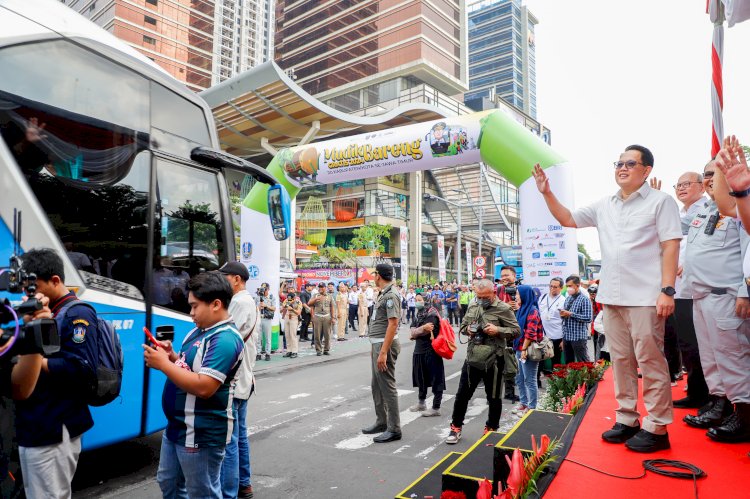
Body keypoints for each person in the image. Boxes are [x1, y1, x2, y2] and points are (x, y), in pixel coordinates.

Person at [533, 144, 682, 453]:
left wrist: (667, 290)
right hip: (612, 298)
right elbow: (568, 219)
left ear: (646, 170)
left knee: (650, 360)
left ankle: (657, 425)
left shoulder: (661, 202)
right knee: (621, 360)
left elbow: (670, 246)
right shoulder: (605, 205)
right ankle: (627, 418)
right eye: (619, 163)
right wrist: (547, 193)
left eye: (630, 163)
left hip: (645, 297)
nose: (622, 168)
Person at [144, 272, 244, 498]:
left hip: (201, 432)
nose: (191, 314)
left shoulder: (225, 339)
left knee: (202, 492)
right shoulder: (198, 332)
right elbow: (190, 366)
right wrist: (171, 356)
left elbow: (204, 387)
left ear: (216, 304)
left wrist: (163, 365)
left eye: (195, 306)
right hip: (178, 427)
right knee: (168, 482)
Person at [15, 249, 99, 499]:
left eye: (34, 288)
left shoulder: (76, 314)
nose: (29, 295)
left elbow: (81, 369)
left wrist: (32, 359)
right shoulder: (44, 312)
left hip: (54, 426)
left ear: (55, 281)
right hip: (36, 423)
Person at [680, 158, 750, 442]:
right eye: (706, 175)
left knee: (733, 358)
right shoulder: (705, 211)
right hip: (701, 296)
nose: (710, 179)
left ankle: (745, 416)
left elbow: (748, 251)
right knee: (711, 359)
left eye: (715, 174)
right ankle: (721, 406)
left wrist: (746, 291)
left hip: (726, 296)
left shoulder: (739, 209)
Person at [446, 279, 521, 444]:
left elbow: (516, 331)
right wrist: (469, 330)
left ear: (493, 293)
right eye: (478, 296)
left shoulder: (503, 308)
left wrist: (497, 330)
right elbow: (464, 327)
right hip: (473, 358)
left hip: (495, 359)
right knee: (462, 395)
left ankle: (491, 428)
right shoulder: (473, 306)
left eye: (485, 297)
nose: (481, 300)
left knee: (493, 397)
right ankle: (455, 427)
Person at [218, 262, 258, 499]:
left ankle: (229, 491)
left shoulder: (241, 302)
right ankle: (243, 484)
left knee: (230, 439)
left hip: (236, 379)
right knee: (239, 435)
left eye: (225, 277)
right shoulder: (243, 301)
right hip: (242, 378)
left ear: (236, 279)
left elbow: (227, 335)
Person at [671, 170, 710, 409]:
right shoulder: (679, 215)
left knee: (702, 346)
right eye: (678, 184)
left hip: (700, 290)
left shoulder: (710, 210)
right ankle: (697, 393)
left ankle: (711, 397)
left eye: (687, 184)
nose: (681, 188)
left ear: (702, 187)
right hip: (679, 291)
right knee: (687, 345)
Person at [361, 263, 402, 443]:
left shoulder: (391, 295)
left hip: (385, 346)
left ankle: (394, 429)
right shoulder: (383, 293)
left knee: (387, 386)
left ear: (379, 275)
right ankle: (382, 421)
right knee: (376, 385)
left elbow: (393, 323)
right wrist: (375, 348)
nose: (373, 276)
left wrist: (383, 352)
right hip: (378, 345)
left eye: (375, 273)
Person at [408, 294, 445, 417]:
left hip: (431, 351)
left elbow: (427, 331)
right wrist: (421, 328)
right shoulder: (419, 314)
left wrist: (417, 331)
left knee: (436, 379)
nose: (417, 302)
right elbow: (413, 331)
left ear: (426, 300)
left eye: (420, 300)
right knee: (420, 378)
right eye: (416, 300)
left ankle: (436, 407)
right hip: (418, 351)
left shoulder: (432, 314)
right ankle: (421, 403)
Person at [512, 285, 544, 416]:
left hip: (528, 350)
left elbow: (530, 334)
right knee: (519, 378)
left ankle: (531, 407)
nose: (516, 297)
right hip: (519, 348)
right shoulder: (522, 309)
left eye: (518, 294)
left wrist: (524, 349)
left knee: (529, 379)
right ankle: (523, 403)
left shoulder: (532, 311)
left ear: (525, 296)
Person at [560, 276, 592, 363]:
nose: (568, 288)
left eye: (570, 286)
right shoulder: (568, 298)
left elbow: (588, 318)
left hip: (578, 337)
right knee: (569, 363)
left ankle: (588, 377)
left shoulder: (584, 300)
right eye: (567, 286)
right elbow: (565, 316)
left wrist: (571, 314)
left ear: (577, 286)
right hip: (567, 336)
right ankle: (572, 377)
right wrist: (563, 315)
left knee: (583, 362)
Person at [539, 278, 565, 371]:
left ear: (561, 288)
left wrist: (563, 339)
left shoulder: (563, 301)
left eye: (555, 287)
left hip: (557, 336)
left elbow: (565, 322)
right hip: (542, 335)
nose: (552, 288)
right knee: (539, 358)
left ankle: (556, 382)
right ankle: (539, 379)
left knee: (556, 361)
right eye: (551, 286)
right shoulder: (542, 297)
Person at [309, 282, 336, 356]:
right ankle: (318, 350)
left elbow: (332, 307)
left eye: (322, 287)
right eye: (319, 287)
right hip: (317, 316)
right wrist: (315, 299)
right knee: (317, 334)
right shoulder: (315, 295)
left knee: (327, 334)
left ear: (325, 288)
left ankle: (326, 350)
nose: (320, 288)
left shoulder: (329, 296)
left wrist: (333, 317)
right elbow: (309, 303)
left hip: (327, 317)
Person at [256, 285, 276, 361]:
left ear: (268, 289)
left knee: (268, 337)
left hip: (267, 319)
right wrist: (258, 307)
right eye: (262, 289)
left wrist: (266, 305)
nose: (263, 291)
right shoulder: (258, 297)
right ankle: (258, 353)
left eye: (264, 289)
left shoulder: (271, 297)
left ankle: (268, 354)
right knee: (258, 337)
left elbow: (274, 308)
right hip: (259, 318)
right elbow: (254, 308)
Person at [281, 291, 302, 358]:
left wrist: (292, 309)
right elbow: (282, 308)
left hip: (294, 317)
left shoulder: (298, 302)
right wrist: (285, 306)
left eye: (291, 299)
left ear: (294, 298)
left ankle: (294, 351)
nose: (290, 301)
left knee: (293, 335)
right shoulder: (286, 300)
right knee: (287, 335)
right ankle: (289, 351)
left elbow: (298, 313)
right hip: (287, 317)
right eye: (289, 299)